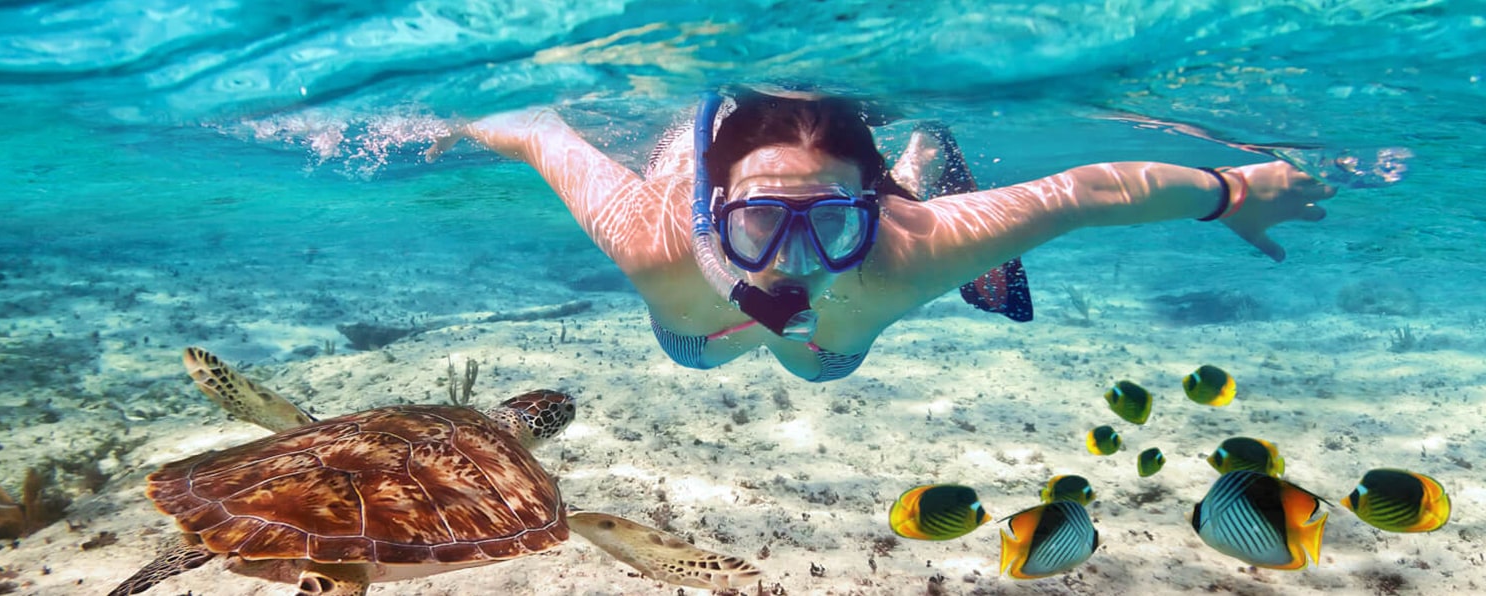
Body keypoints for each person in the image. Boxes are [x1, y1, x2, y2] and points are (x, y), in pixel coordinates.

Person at [426, 89, 1335, 382]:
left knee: (821, 367)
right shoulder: (655, 240)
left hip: (835, 341)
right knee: (695, 355)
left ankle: (920, 155)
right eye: (756, 221)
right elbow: (543, 128)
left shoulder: (914, 245)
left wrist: (1233, 189)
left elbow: (1085, 193)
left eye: (830, 221)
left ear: (878, 206)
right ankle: (704, 164)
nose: (791, 260)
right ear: (713, 218)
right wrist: (464, 124)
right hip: (699, 330)